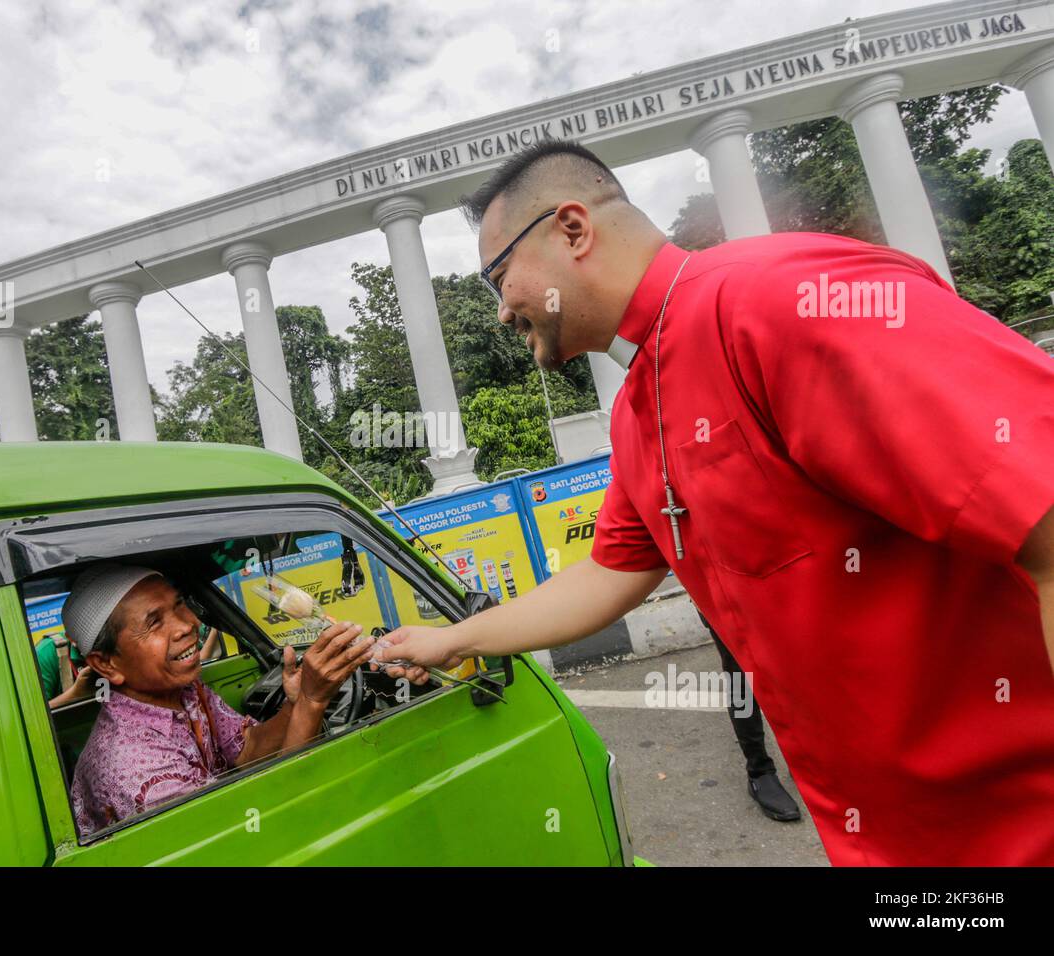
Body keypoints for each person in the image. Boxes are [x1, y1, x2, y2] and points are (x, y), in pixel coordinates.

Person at [379, 139, 1054, 865]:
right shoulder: (641, 407)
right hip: (894, 838)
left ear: (572, 229)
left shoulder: (779, 299)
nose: (500, 313)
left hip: (1017, 823)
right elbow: (611, 572)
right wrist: (450, 640)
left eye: (498, 277)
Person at [62, 564, 388, 835]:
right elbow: (264, 830)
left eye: (179, 605)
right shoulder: (139, 772)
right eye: (154, 623)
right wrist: (313, 702)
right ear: (107, 664)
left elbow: (247, 749)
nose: (189, 625)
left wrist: (297, 701)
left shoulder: (183, 691)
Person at [695, 610, 799, 822]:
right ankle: (759, 771)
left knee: (788, 661)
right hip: (717, 587)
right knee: (739, 674)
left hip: (770, 584)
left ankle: (801, 754)